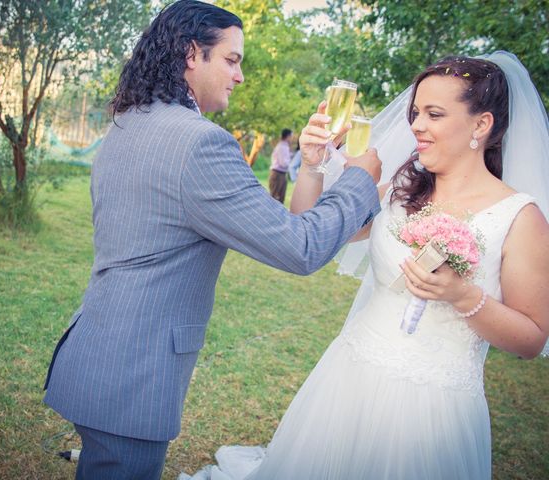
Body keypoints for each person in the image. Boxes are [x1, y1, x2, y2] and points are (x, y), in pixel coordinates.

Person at [42, 1, 382, 479]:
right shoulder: (200, 143)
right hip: (134, 373)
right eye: (232, 59)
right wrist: (359, 178)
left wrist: (311, 162)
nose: (239, 76)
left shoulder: (128, 121)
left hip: (98, 346)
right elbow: (300, 247)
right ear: (190, 53)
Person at [180, 52, 549, 480]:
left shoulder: (519, 217)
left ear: (481, 125)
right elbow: (308, 222)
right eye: (415, 112)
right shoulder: (400, 189)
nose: (416, 125)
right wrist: (314, 164)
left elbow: (531, 339)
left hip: (436, 408)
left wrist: (463, 295)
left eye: (434, 114)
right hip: (350, 377)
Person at [268, 128, 293, 202]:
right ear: (288, 136)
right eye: (291, 136)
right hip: (277, 175)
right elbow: (284, 163)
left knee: (280, 199)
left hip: (281, 174)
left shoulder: (284, 146)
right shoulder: (282, 147)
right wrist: (293, 163)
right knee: (275, 199)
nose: (292, 139)